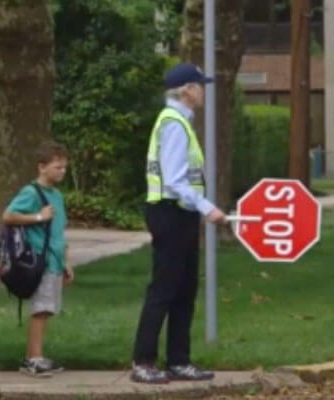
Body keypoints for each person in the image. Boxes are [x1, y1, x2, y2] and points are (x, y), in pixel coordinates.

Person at [130, 63, 228, 385]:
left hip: (181, 213)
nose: (203, 91)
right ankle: (143, 361)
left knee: (185, 288)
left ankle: (178, 360)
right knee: (164, 289)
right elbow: (173, 179)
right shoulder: (173, 123)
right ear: (186, 90)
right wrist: (207, 207)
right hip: (169, 211)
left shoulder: (181, 122)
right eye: (200, 85)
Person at [1, 142, 73, 378]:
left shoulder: (57, 196)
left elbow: (60, 231)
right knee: (40, 310)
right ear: (42, 167)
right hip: (39, 260)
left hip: (54, 260)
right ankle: (33, 358)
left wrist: (66, 261)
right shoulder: (32, 193)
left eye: (64, 168)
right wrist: (38, 216)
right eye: (57, 167)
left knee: (48, 309)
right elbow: (9, 215)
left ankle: (38, 355)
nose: (62, 171)